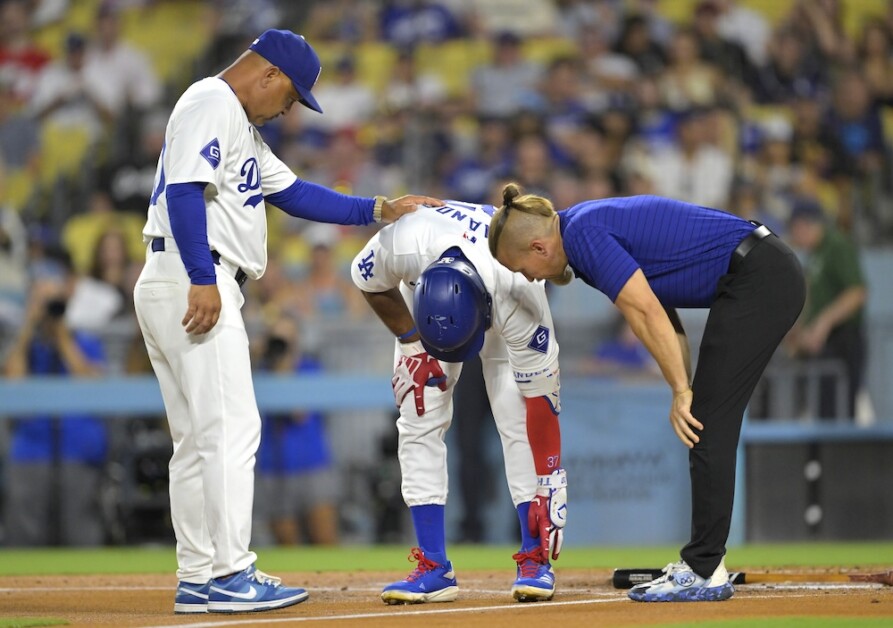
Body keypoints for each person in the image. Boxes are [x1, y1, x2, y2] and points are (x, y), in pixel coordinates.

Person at [132, 28, 441, 615]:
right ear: (269, 73)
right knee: (231, 430)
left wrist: (381, 208)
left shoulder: (240, 126)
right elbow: (184, 191)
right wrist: (202, 275)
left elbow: (298, 195)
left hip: (179, 276)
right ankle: (229, 573)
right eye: (292, 96)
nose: (289, 109)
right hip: (195, 273)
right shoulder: (211, 100)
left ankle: (198, 577)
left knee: (197, 440)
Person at [488, 183, 805, 602]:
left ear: (538, 247)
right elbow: (662, 307)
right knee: (704, 420)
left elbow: (645, 312)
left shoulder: (582, 237)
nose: (527, 278)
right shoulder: (583, 227)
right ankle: (705, 563)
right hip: (757, 273)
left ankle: (704, 568)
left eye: (522, 267)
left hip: (759, 276)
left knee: (706, 426)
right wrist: (687, 386)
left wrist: (680, 391)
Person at [350, 200, 566, 604]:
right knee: (417, 417)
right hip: (426, 322)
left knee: (516, 420)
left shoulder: (518, 291)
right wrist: (411, 341)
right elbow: (366, 280)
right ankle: (433, 566)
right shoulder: (401, 245)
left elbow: (542, 404)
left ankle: (535, 558)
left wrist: (550, 481)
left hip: (499, 297)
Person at [3, 275, 108, 546]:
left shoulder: (83, 340)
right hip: (31, 446)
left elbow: (91, 383)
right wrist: (29, 326)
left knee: (80, 530)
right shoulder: (26, 345)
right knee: (24, 532)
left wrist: (62, 336)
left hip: (77, 446)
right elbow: (13, 381)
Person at [786, 198, 867, 419]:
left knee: (839, 411)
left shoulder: (836, 245)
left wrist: (823, 324)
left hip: (844, 340)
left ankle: (837, 454)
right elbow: (816, 300)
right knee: (822, 409)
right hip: (826, 343)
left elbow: (856, 292)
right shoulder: (816, 253)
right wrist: (801, 329)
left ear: (803, 224)